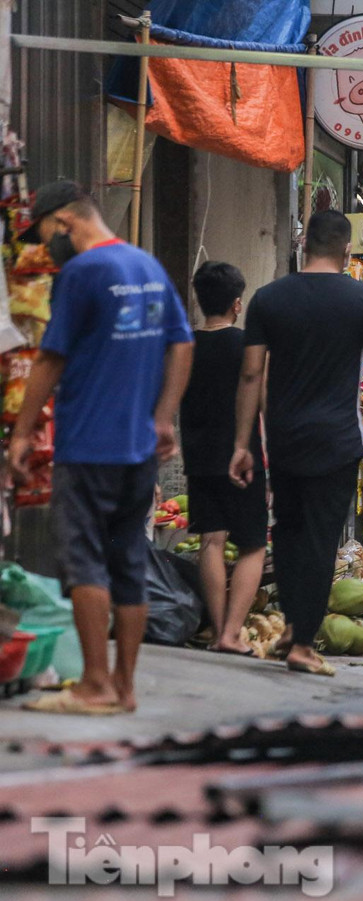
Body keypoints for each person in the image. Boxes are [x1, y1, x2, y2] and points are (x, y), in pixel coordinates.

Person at [8, 181, 193, 714]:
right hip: (138, 448)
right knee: (128, 564)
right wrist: (162, 418)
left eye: (44, 236)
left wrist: (21, 433)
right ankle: (124, 688)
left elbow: (49, 358)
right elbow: (182, 342)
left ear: (64, 223)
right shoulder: (148, 267)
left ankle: (93, 684)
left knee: (85, 564)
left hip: (89, 444)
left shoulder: (82, 271)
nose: (45, 248)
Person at [230, 210, 363, 677]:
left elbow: (250, 373)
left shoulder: (267, 299)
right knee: (321, 540)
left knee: (291, 532)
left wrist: (243, 442)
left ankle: (291, 628)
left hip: (283, 440)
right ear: (346, 251)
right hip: (339, 440)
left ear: (303, 246)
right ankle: (300, 641)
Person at [181, 261, 267, 656]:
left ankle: (217, 632)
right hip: (244, 454)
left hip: (199, 455)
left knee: (210, 540)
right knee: (252, 544)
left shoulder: (184, 346)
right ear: (237, 304)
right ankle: (233, 633)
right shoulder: (248, 346)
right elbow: (263, 403)